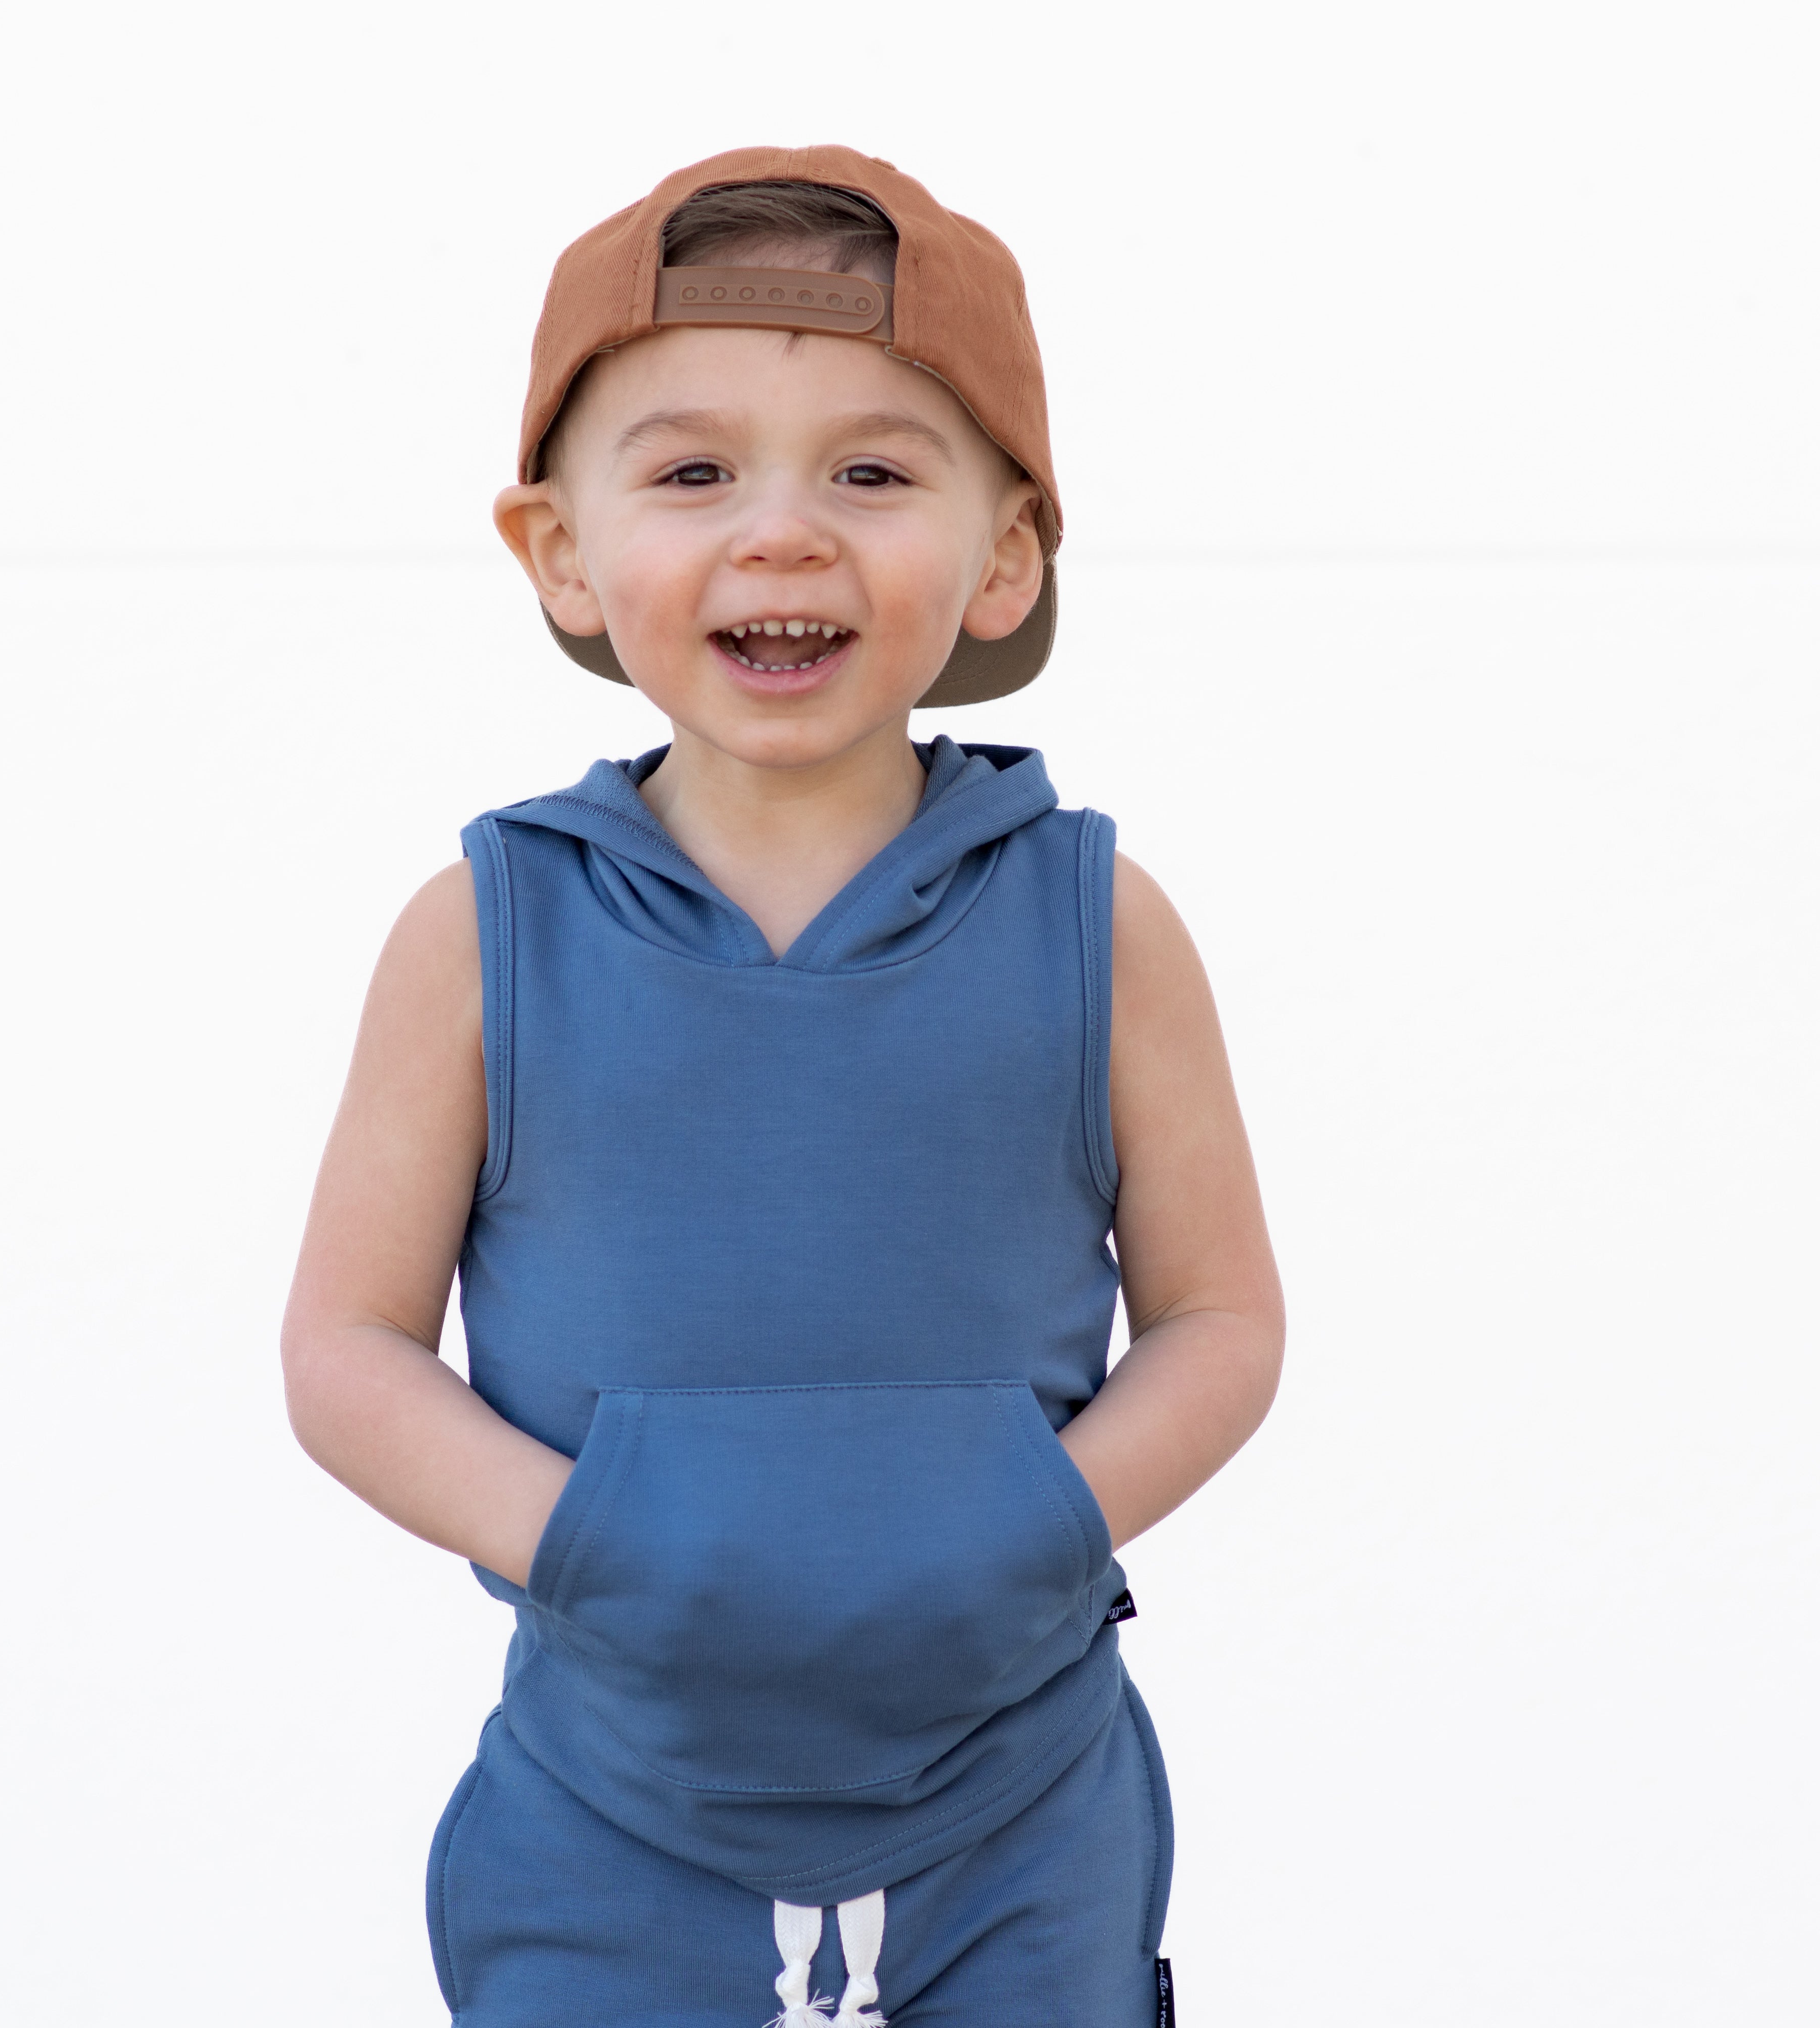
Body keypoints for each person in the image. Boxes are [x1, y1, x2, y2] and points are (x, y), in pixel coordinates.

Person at [281, 145, 1285, 2027]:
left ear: (1006, 556)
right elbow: (346, 1349)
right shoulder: (484, 932)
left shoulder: (1099, 923)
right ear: (559, 551)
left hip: (1022, 1802)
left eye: (873, 476)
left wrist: (1043, 1519)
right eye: (692, 475)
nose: (784, 535)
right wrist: (585, 1537)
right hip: (607, 1804)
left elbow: (1223, 1319)